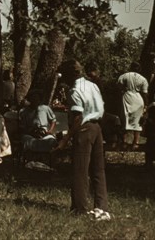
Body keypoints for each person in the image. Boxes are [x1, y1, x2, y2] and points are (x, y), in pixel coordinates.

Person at [56, 59, 110, 220]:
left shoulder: (74, 91)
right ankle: (101, 207)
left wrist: (66, 139)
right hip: (97, 127)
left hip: (84, 129)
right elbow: (101, 106)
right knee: (98, 169)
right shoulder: (92, 85)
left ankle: (79, 208)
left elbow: (78, 117)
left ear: (69, 75)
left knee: (80, 170)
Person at [117, 62, 148, 150]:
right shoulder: (143, 79)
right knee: (137, 120)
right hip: (138, 98)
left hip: (127, 97)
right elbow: (145, 93)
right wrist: (146, 104)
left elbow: (119, 86)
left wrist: (124, 90)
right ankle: (135, 142)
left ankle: (124, 141)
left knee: (125, 118)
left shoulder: (124, 76)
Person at [18, 89, 57, 153]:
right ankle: (31, 157)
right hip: (30, 134)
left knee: (52, 141)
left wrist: (50, 131)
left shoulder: (45, 108)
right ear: (29, 99)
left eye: (37, 98)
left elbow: (53, 120)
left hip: (45, 133)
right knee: (25, 140)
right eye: (33, 98)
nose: (35, 100)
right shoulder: (24, 111)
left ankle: (45, 157)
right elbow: (22, 127)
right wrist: (31, 132)